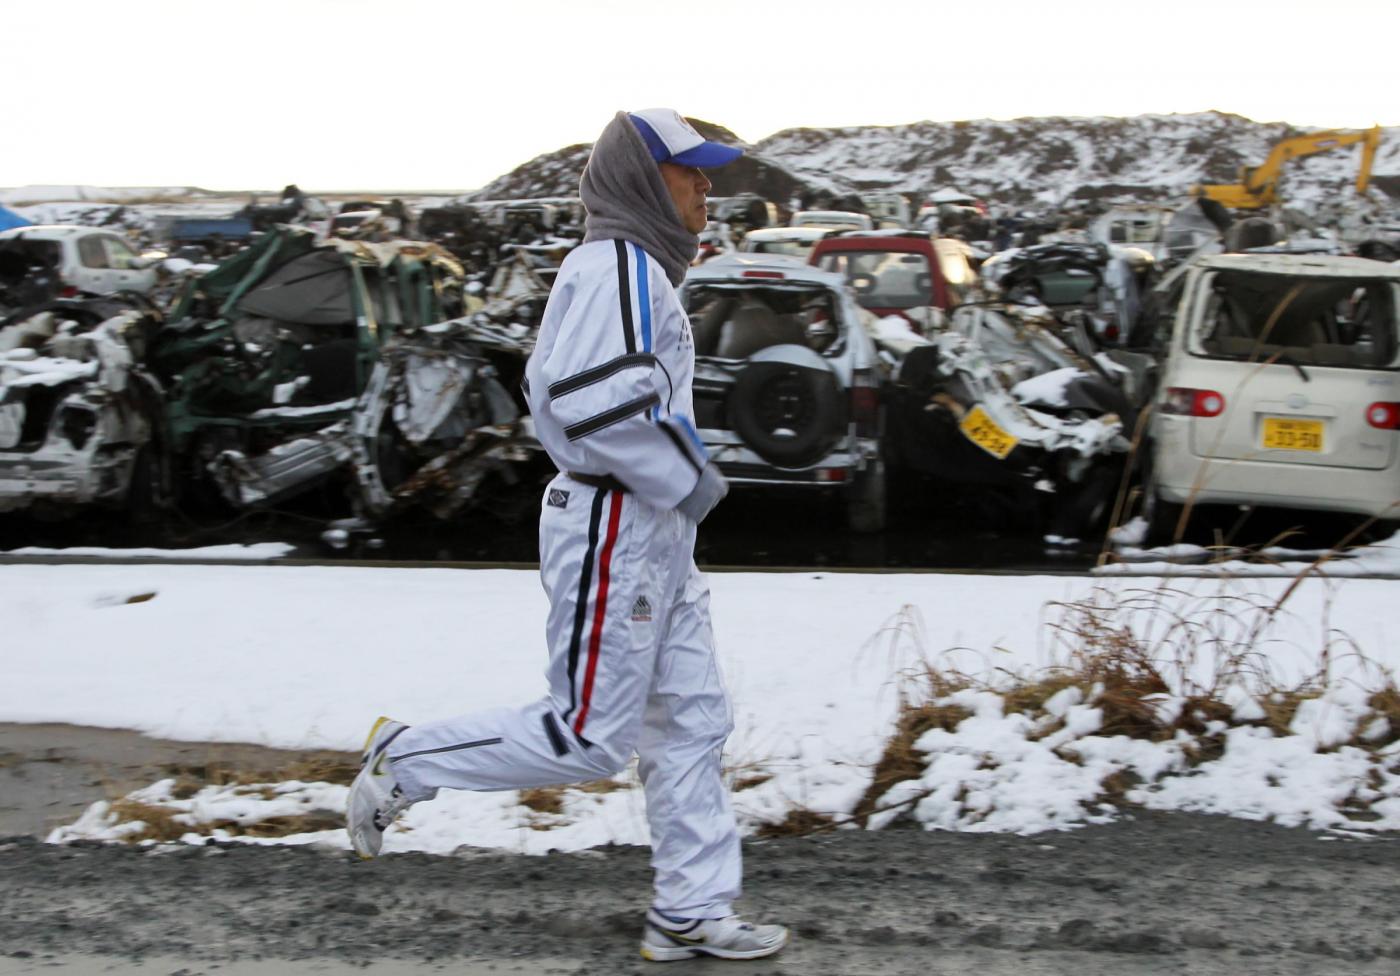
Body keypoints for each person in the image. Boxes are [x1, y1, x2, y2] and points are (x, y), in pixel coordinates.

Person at [346, 108, 788, 963]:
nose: (708, 187)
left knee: (694, 720)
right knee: (588, 736)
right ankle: (405, 759)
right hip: (615, 522)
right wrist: (688, 476)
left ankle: (691, 912)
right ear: (639, 179)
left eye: (708, 172)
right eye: (690, 170)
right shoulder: (620, 265)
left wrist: (677, 489)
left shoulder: (635, 269)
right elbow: (596, 397)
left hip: (645, 527)